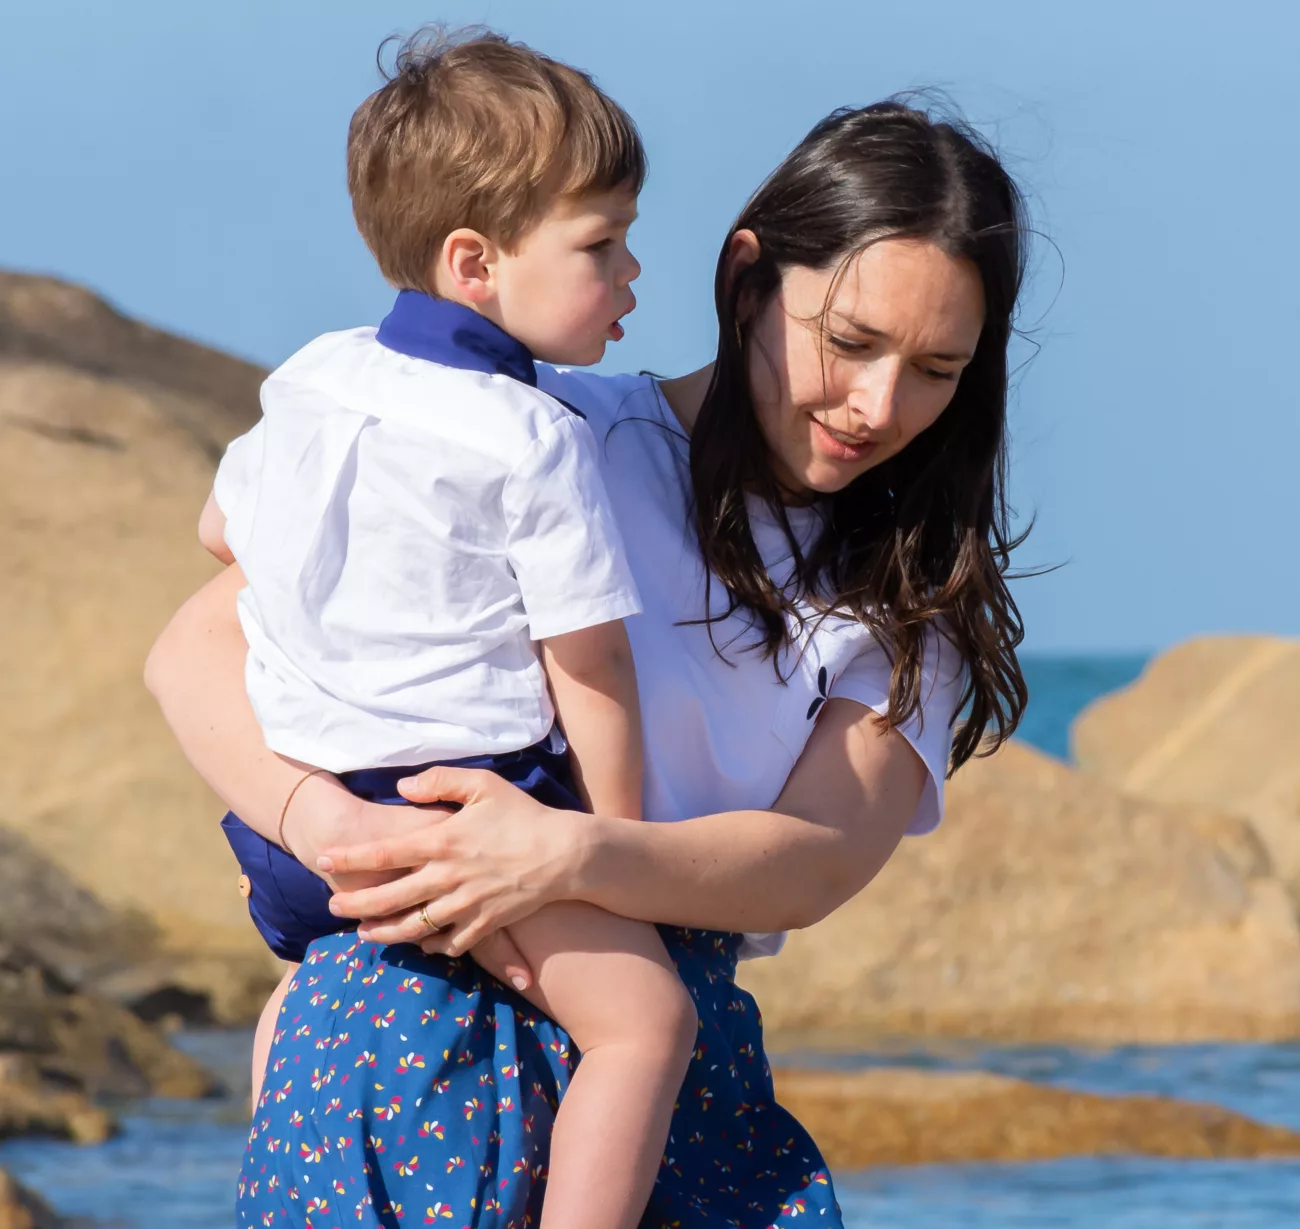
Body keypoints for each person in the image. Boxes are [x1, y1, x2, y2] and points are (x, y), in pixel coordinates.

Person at [147, 89, 1031, 1228]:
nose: (879, 404)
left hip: (659, 1107)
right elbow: (200, 643)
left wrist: (570, 854)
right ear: (747, 278)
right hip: (386, 1045)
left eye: (938, 369)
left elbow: (814, 856)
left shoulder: (907, 601)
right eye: (850, 342)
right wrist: (323, 824)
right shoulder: (543, 435)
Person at [196, 30, 697, 1229]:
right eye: (601, 243)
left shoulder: (318, 374)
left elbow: (219, 528)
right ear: (475, 261)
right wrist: (614, 855)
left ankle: (289, 1179)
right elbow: (592, 666)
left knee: (302, 999)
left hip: (303, 835)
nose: (632, 269)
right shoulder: (535, 436)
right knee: (646, 1024)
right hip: (464, 814)